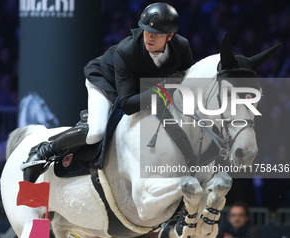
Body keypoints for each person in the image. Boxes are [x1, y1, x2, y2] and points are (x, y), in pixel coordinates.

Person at [21, 2, 193, 183]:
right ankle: (44, 150)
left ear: (170, 36)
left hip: (142, 88)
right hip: (105, 81)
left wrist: (168, 86)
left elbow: (184, 77)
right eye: (145, 30)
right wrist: (162, 90)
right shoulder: (126, 50)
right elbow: (126, 104)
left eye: (156, 34)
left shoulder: (182, 47)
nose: (149, 37)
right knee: (97, 131)